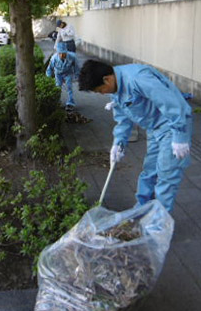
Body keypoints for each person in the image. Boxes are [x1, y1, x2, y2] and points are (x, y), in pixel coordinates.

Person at [78, 60, 192, 212]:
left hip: (171, 124)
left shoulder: (137, 79)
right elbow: (123, 119)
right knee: (149, 171)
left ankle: (158, 225)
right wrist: (118, 144)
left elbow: (171, 103)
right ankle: (142, 210)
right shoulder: (116, 88)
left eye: (100, 90)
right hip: (154, 127)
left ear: (107, 79)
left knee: (166, 176)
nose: (102, 93)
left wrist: (179, 135)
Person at [46, 41, 80, 111]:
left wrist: (77, 76)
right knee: (58, 87)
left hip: (68, 73)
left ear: (66, 52)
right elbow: (49, 69)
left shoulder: (72, 56)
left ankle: (70, 103)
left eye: (63, 53)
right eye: (60, 53)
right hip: (58, 74)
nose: (61, 55)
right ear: (58, 53)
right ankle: (57, 102)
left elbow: (76, 67)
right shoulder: (54, 58)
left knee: (69, 87)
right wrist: (48, 78)